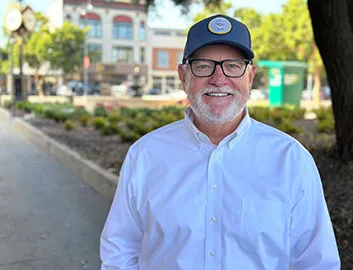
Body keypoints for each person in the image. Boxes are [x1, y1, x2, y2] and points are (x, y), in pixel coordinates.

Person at [100, 14, 340, 269]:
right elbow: (120, 251)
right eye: (203, 66)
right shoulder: (145, 155)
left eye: (233, 65)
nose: (218, 78)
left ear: (250, 76)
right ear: (183, 76)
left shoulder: (291, 159)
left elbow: (316, 261)